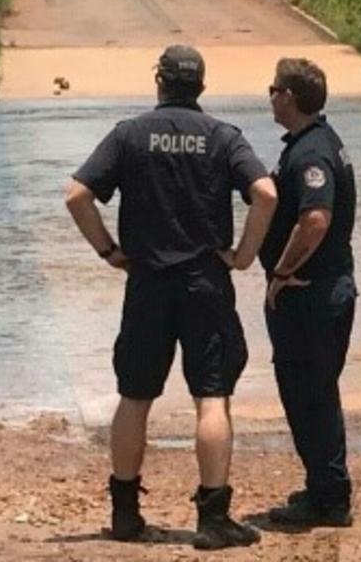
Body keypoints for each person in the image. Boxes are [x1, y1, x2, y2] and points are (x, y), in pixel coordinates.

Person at [64, 45, 276, 550]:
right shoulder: (223, 137)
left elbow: (77, 195)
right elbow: (266, 193)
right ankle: (213, 518)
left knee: (135, 396)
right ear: (201, 86)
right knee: (211, 397)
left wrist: (108, 251)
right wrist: (245, 255)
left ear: (158, 80)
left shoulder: (129, 135)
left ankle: (125, 513)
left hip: (147, 282)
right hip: (204, 281)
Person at [260, 58, 357, 527]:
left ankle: (330, 499)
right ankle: (325, 487)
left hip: (310, 294)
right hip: (326, 289)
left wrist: (280, 271)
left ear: (290, 98)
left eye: (273, 89)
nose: (270, 96)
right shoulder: (318, 142)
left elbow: (315, 220)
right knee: (316, 392)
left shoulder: (311, 154)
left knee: (308, 394)